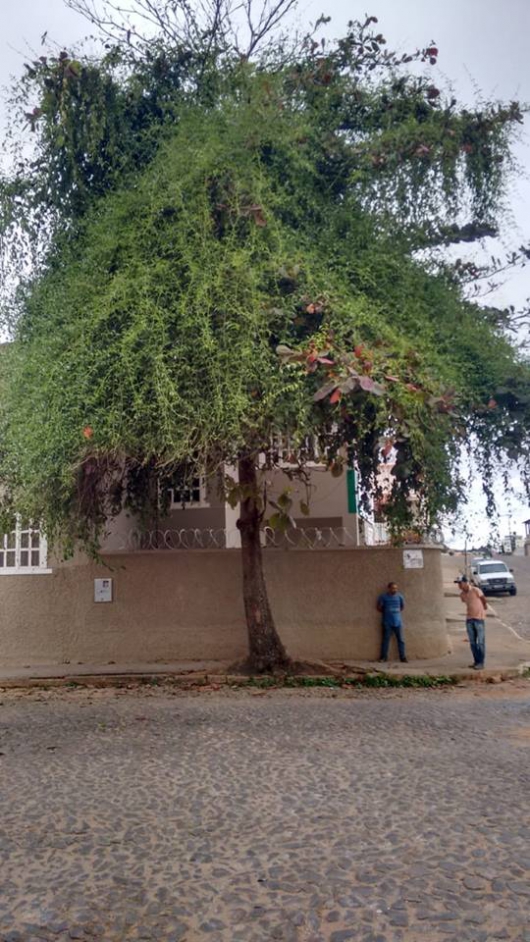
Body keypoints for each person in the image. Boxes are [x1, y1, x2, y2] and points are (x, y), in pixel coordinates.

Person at [459, 575, 487, 670]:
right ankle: (476, 661)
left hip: (479, 618)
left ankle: (481, 662)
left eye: (460, 583)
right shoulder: (462, 594)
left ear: (466, 582)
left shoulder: (475, 590)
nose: (459, 585)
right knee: (472, 642)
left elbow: (483, 598)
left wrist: (484, 607)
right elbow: (466, 602)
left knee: (480, 642)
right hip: (469, 619)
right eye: (458, 584)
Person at [377, 582, 407, 663]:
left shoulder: (400, 596)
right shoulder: (383, 597)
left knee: (401, 640)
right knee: (385, 640)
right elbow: (379, 608)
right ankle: (383, 657)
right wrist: (387, 612)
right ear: (389, 588)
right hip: (387, 622)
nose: (395, 590)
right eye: (393, 588)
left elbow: (402, 607)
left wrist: (395, 613)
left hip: (398, 622)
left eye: (396, 588)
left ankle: (403, 657)